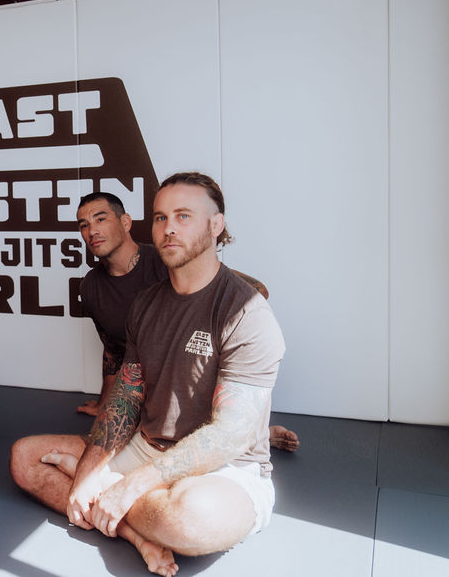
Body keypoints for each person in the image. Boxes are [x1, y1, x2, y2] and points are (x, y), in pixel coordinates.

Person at [10, 174, 286, 576]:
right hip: (146, 445)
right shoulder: (145, 304)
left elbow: (231, 434)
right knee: (24, 458)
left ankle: (117, 503)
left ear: (216, 225)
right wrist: (89, 473)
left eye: (183, 215)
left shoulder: (247, 312)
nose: (168, 227)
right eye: (160, 217)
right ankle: (135, 533)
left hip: (224, 467)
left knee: (191, 520)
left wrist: (131, 485)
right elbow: (126, 396)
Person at [73, 191, 298, 453]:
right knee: (99, 448)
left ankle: (254, 433)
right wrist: (104, 403)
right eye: (84, 225)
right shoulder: (91, 287)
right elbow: (112, 350)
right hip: (144, 393)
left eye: (101, 219)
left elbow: (256, 290)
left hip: (190, 386)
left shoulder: (166, 260)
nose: (92, 231)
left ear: (125, 222)